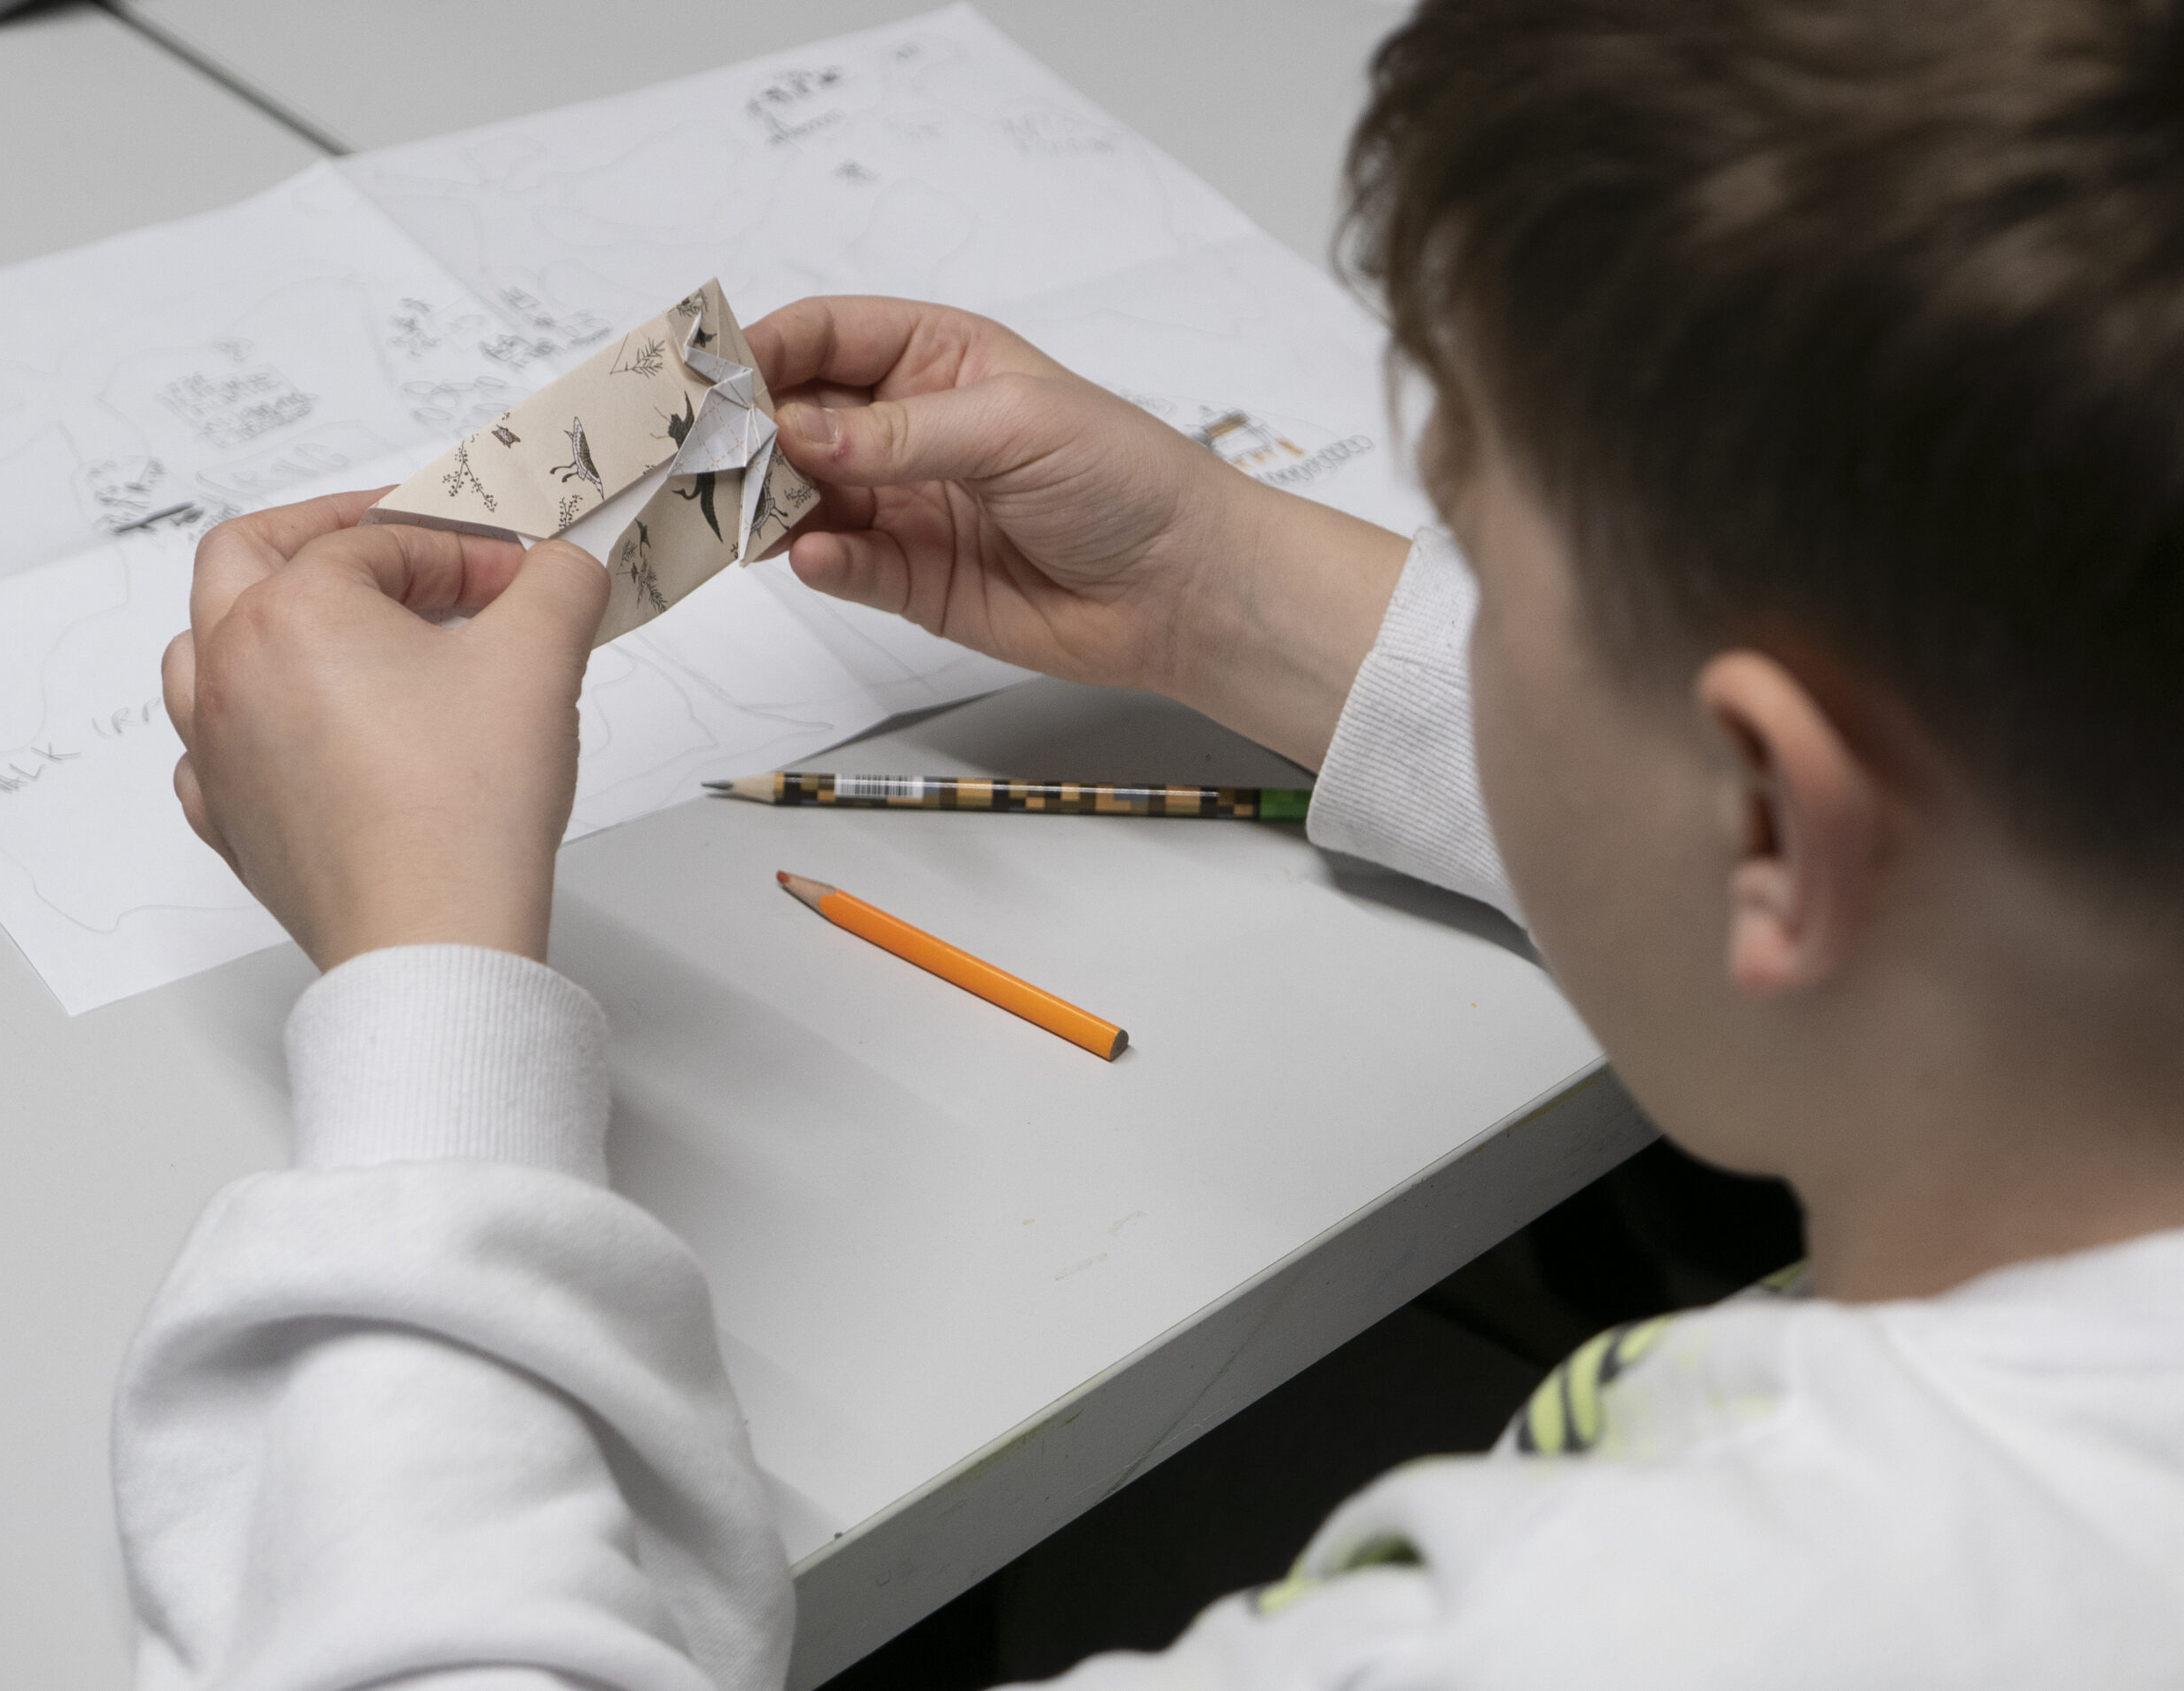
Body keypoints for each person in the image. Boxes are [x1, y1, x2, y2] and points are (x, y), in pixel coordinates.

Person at [118, 0, 2184, 1686]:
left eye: (1480, 548)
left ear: (1768, 817)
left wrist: (425, 994)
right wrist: (1232, 598)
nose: (1451, 580)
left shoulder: (1654, 1629)